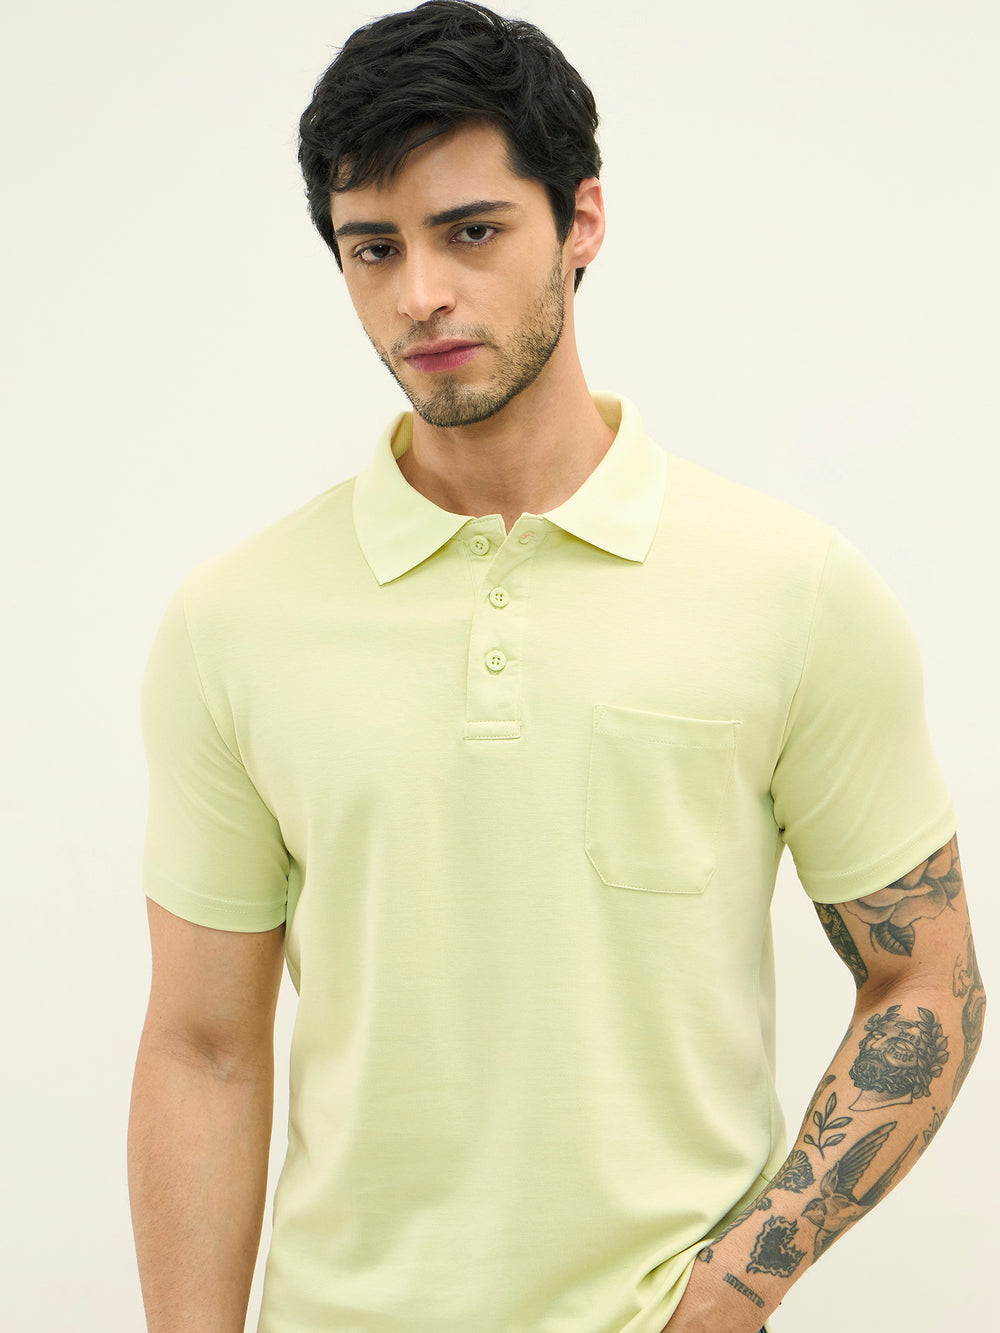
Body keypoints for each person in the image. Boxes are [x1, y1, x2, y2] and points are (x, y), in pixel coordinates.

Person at [126, 3, 985, 1331]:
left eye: (471, 232)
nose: (419, 293)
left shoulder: (794, 591)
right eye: (374, 247)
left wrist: (731, 1290)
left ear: (581, 220)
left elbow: (927, 979)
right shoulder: (234, 621)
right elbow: (204, 1048)